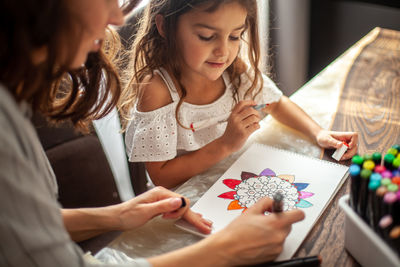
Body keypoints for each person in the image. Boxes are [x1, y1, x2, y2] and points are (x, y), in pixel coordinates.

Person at [0, 0, 304, 266]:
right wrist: (225, 249)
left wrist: (116, 216)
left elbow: (22, 227)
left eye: (235, 35)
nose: (117, 19)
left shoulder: (13, 106)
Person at [120, 0, 358, 189]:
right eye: (206, 36)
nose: (224, 51)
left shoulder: (233, 71)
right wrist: (224, 145)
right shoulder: (158, 91)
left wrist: (319, 133)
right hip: (184, 202)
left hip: (230, 179)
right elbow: (162, 177)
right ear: (164, 26)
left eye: (235, 36)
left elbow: (275, 103)